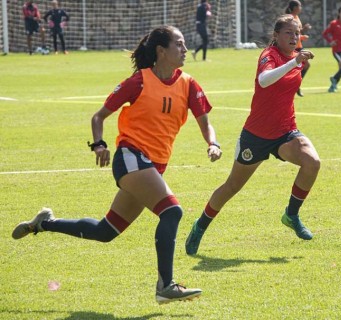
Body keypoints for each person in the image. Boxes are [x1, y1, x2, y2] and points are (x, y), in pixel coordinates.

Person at [12, 26, 223, 305]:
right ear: (161, 51)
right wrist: (99, 145)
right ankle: (166, 285)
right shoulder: (139, 82)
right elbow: (98, 117)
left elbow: (205, 122)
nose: (185, 50)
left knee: (105, 231)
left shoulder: (189, 84)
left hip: (153, 166)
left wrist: (213, 143)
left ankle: (44, 223)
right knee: (172, 212)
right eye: (179, 44)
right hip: (131, 157)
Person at [185, 15, 320, 256]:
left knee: (312, 162)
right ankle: (200, 227)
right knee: (232, 186)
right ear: (276, 35)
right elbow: (264, 80)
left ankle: (291, 215)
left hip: (285, 132)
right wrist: (294, 62)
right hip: (256, 135)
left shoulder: (296, 59)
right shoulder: (269, 55)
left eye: (296, 33)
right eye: (288, 32)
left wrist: (297, 61)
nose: (294, 37)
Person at [285, 0, 311, 97]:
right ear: (295, 7)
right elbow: (291, 33)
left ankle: (296, 85)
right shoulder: (289, 18)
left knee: (305, 65)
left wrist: (304, 30)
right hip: (293, 46)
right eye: (299, 6)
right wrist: (302, 36)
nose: (301, 8)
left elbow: (297, 32)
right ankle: (292, 86)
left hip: (299, 45)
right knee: (296, 67)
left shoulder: (296, 17)